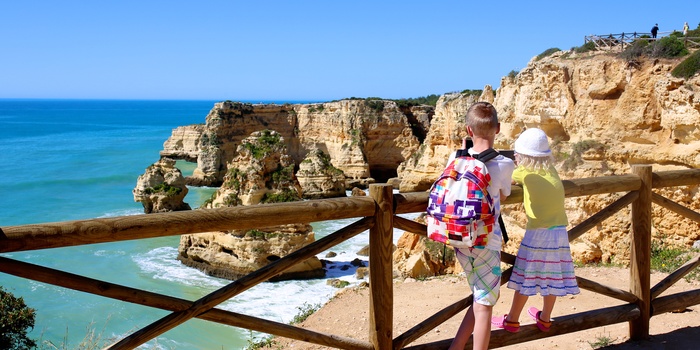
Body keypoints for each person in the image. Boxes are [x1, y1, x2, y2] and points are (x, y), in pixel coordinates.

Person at [491, 128, 580, 333]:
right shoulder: (552, 170)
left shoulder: (523, 171)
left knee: (526, 275)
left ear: (523, 156)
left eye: (517, 154)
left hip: (538, 232)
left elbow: (504, 185)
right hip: (559, 232)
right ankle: (545, 318)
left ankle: (512, 320)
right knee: (552, 276)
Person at [448, 102, 515, 350]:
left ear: (468, 129)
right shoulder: (504, 164)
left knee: (480, 294)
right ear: (497, 129)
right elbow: (504, 195)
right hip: (487, 241)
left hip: (459, 238)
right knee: (485, 302)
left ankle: (456, 347)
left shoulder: (455, 158)